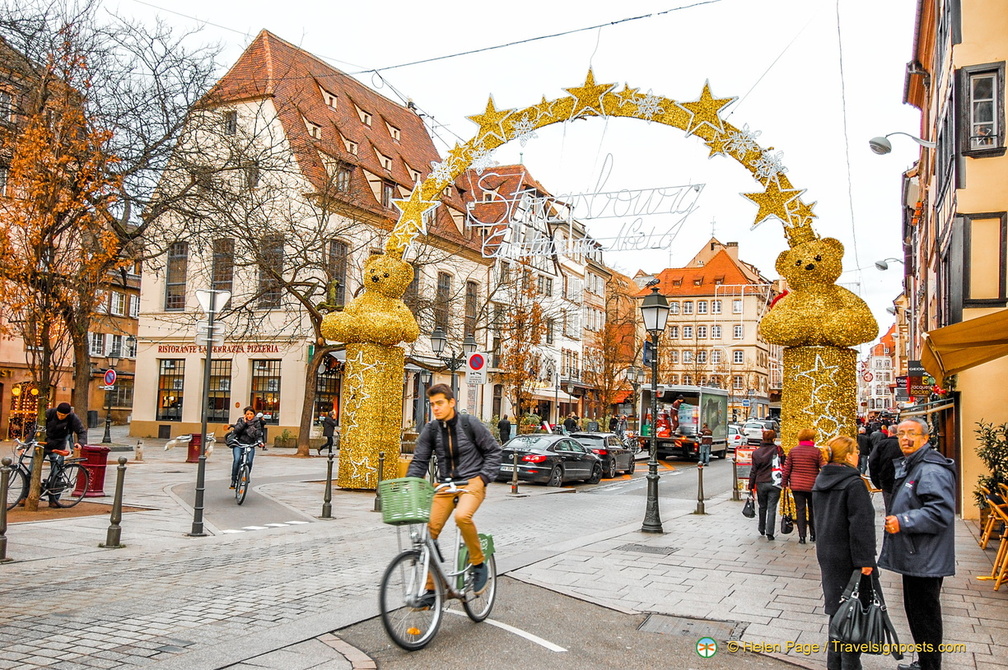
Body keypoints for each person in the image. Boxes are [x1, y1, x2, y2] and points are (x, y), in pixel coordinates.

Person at [407, 384, 501, 606]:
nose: (435, 409)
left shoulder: (470, 424)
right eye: (432, 405)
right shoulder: (431, 430)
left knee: (462, 517)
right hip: (445, 486)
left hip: (472, 482)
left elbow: (494, 452)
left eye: (439, 403)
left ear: (451, 402)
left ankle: (479, 565)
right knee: (428, 532)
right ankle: (431, 588)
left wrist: (482, 478)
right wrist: (411, 484)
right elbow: (420, 460)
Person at [879, 417, 955, 670]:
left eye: (911, 433)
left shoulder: (930, 469)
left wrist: (904, 520)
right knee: (919, 614)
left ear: (925, 438)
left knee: (925, 615)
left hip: (924, 554)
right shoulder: (916, 464)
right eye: (901, 434)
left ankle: (929, 665)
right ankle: (925, 662)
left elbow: (940, 512)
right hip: (918, 553)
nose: (905, 439)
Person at [812, 435, 876, 670]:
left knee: (838, 609)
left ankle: (834, 664)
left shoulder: (822, 480)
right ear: (848, 456)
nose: (858, 454)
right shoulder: (853, 483)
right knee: (853, 612)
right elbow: (862, 525)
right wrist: (865, 560)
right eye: (856, 450)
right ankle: (850, 665)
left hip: (828, 552)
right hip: (850, 556)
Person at [782, 427, 827, 544]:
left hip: (797, 486)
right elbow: (823, 467)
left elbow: (787, 468)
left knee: (800, 510)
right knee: (813, 510)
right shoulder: (816, 451)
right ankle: (814, 535)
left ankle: (802, 537)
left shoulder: (793, 451)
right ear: (811, 438)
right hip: (812, 485)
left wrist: (784, 483)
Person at [43, 402, 87, 506]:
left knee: (57, 474)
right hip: (43, 444)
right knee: (31, 471)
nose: (60, 417)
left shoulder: (72, 417)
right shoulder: (49, 413)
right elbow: (35, 429)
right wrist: (25, 445)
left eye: (63, 415)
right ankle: (24, 497)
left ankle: (54, 500)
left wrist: (80, 443)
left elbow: (81, 431)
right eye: (59, 414)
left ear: (68, 414)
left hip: (59, 445)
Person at [749, 429, 785, 540]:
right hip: (775, 482)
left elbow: (753, 470)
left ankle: (761, 528)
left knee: (762, 506)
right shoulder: (778, 450)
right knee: (772, 507)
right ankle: (770, 532)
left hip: (761, 482)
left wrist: (751, 486)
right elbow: (784, 462)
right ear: (774, 438)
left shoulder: (756, 452)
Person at [868, 427, 902, 513]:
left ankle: (890, 524)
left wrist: (876, 481)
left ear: (889, 432)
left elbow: (872, 462)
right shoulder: (904, 444)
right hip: (903, 480)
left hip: (886, 480)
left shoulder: (882, 444)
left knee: (889, 507)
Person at [230, 407, 266, 489]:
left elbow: (259, 434)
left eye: (251, 414)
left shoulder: (257, 422)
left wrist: (260, 442)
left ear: (254, 415)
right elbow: (236, 431)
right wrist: (244, 422)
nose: (249, 416)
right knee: (237, 460)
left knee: (249, 461)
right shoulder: (241, 420)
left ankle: (246, 475)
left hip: (250, 444)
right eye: (248, 414)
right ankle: (233, 479)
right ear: (245, 415)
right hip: (239, 444)